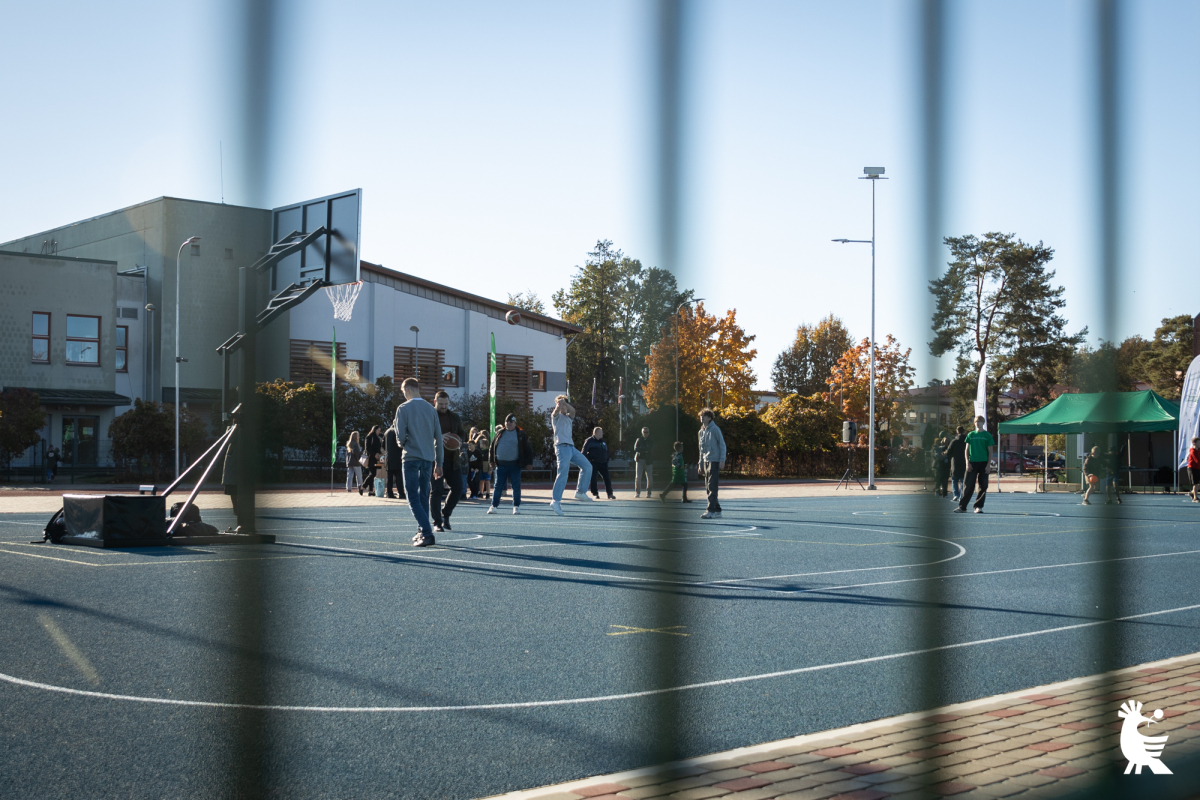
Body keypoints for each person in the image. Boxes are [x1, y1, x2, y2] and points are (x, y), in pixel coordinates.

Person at [393, 378, 444, 547]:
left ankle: (427, 532)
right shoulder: (431, 409)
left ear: (407, 390)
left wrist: (402, 443)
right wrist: (439, 463)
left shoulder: (403, 408)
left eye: (403, 392)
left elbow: (400, 437)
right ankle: (422, 530)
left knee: (412, 497)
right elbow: (438, 438)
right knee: (423, 496)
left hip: (411, 457)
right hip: (428, 459)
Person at [550, 394, 593, 515]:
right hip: (561, 447)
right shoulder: (555, 417)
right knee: (563, 473)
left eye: (564, 405)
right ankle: (556, 501)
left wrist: (565, 403)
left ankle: (580, 492)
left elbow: (573, 410)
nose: (562, 406)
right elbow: (556, 411)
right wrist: (559, 403)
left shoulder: (569, 417)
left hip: (571, 447)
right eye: (559, 404)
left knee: (587, 466)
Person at [431, 390, 466, 532]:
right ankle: (437, 522)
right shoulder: (430, 416)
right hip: (434, 459)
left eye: (446, 404)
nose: (444, 406)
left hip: (452, 459)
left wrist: (459, 440)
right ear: (435, 402)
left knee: (458, 488)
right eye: (441, 404)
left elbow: (462, 432)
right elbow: (424, 434)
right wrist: (439, 437)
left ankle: (445, 514)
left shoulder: (454, 417)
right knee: (436, 490)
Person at [487, 413, 534, 514]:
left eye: (511, 422)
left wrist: (529, 462)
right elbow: (492, 447)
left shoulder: (521, 434)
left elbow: (528, 449)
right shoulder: (499, 433)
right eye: (507, 422)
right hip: (500, 465)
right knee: (498, 486)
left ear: (515, 423)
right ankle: (494, 506)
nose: (508, 424)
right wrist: (491, 461)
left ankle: (516, 506)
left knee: (516, 486)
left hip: (515, 465)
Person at [954, 416, 994, 513]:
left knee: (983, 486)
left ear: (983, 423)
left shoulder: (987, 435)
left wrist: (988, 464)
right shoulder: (970, 435)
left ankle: (978, 506)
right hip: (972, 463)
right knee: (968, 485)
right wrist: (967, 463)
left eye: (979, 422)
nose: (977, 423)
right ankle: (962, 507)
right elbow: (966, 450)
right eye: (976, 421)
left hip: (983, 463)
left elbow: (990, 451)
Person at [697, 408, 726, 519]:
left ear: (709, 417)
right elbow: (701, 449)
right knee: (708, 487)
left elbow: (722, 445)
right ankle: (717, 509)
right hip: (706, 460)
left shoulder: (715, 429)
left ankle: (711, 510)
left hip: (714, 460)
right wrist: (700, 464)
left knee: (712, 486)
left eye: (704, 415)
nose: (702, 417)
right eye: (701, 415)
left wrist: (722, 460)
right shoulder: (701, 432)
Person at [582, 427, 615, 499]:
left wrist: (607, 459)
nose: (602, 433)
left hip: (603, 463)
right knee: (594, 478)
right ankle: (595, 493)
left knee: (607, 478)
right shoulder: (589, 441)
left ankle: (610, 493)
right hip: (594, 463)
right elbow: (584, 452)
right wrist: (589, 460)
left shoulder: (602, 441)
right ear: (596, 433)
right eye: (601, 432)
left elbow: (606, 451)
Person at [946, 426, 967, 501]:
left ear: (957, 432)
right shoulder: (967, 441)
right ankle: (961, 495)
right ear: (964, 431)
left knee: (954, 480)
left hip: (955, 462)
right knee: (963, 481)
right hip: (965, 462)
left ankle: (956, 495)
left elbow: (948, 452)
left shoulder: (954, 441)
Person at [384, 425, 405, 499]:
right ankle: (401, 493)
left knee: (389, 478)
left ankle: (389, 493)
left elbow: (383, 445)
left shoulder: (386, 432)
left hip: (388, 457)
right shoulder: (397, 431)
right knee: (399, 477)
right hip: (397, 456)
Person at [633, 427, 654, 498]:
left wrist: (642, 449)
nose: (646, 433)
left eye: (647, 432)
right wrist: (644, 450)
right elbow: (636, 448)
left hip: (648, 460)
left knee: (650, 478)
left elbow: (651, 448)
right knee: (638, 477)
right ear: (642, 432)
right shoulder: (639, 440)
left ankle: (649, 492)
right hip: (640, 460)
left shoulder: (651, 440)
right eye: (644, 432)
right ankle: (637, 492)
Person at [364, 425, 384, 497]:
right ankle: (363, 486)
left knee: (372, 474)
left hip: (376, 458)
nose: (379, 432)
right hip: (371, 458)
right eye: (378, 430)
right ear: (375, 430)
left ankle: (370, 491)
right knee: (373, 474)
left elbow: (378, 447)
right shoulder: (369, 437)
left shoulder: (378, 438)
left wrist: (379, 454)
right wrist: (374, 454)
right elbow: (368, 448)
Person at [476, 432, 492, 499]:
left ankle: (488, 493)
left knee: (487, 481)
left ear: (485, 445)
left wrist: (490, 469)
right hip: (480, 468)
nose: (480, 445)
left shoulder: (489, 451)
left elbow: (490, 461)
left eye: (481, 444)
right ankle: (481, 492)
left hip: (486, 467)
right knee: (481, 481)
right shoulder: (479, 451)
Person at [1188, 437, 1200, 503]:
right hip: (1192, 469)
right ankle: (1195, 498)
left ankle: (1192, 492)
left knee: (1197, 483)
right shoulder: (1193, 451)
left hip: (1198, 468)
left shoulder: (1198, 450)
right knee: (1195, 483)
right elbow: (1197, 460)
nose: (1199, 443)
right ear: (1194, 443)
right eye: (1198, 442)